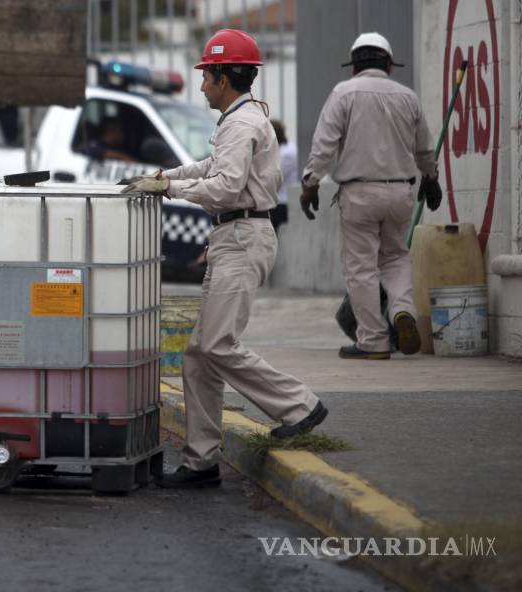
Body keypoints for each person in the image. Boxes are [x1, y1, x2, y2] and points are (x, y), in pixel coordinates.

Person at [124, 29, 327, 489]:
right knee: (198, 357)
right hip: (234, 235)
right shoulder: (240, 119)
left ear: (224, 78)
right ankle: (202, 462)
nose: (201, 86)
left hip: (242, 236)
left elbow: (225, 187)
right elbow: (210, 167)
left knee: (217, 345)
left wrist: (171, 188)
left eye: (206, 76)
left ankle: (299, 406)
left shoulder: (241, 123)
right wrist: (165, 176)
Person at [299, 32, 441, 360]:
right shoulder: (408, 97)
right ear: (389, 65)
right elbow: (424, 148)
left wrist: (311, 184)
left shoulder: (343, 93)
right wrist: (431, 178)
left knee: (361, 266)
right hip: (400, 191)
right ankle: (402, 310)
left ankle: (373, 341)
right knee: (396, 257)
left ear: (354, 67)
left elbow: (324, 146)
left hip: (359, 193)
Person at [269, 118, 295, 230]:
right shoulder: (284, 150)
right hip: (279, 202)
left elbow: (273, 178)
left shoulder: (286, 153)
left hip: (282, 203)